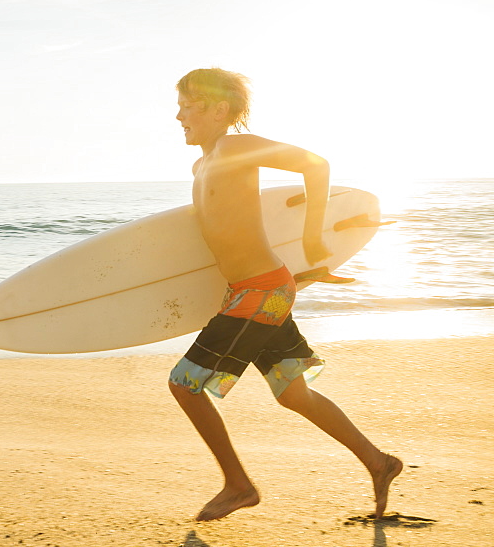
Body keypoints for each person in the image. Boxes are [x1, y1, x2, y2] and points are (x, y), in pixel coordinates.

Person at [168, 67, 402, 522]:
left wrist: (314, 241)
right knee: (294, 395)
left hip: (264, 290)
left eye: (188, 104)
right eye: (178, 104)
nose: (179, 114)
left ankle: (238, 485)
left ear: (219, 110)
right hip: (254, 291)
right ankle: (379, 462)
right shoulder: (201, 164)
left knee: (184, 384)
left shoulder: (235, 147)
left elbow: (316, 166)